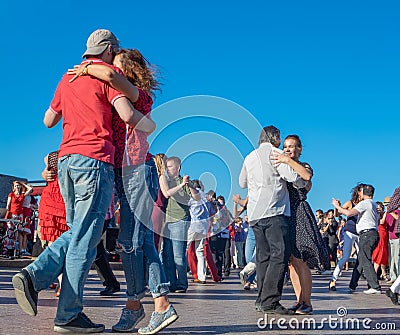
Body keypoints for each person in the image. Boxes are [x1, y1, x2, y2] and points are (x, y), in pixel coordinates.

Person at [12, 29, 154, 334]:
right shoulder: (108, 75)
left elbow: (48, 120)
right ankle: (57, 302)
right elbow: (127, 113)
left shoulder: (69, 78)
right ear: (109, 51)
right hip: (96, 159)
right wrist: (149, 124)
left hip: (66, 160)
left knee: (80, 233)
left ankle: (52, 295)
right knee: (85, 239)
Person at [70, 49, 178, 334]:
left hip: (138, 171)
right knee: (137, 243)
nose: (112, 70)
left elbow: (107, 75)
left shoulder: (137, 94)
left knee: (131, 242)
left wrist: (86, 68)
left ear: (128, 70)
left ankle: (146, 305)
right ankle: (150, 304)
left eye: (118, 67)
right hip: (123, 173)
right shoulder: (117, 93)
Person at [239, 125, 308, 315]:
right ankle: (270, 301)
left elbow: (242, 183)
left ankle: (261, 299)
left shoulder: (250, 157)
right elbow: (293, 176)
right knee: (280, 255)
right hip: (274, 211)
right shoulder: (276, 154)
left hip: (255, 214)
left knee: (263, 257)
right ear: (275, 138)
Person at [270, 134, 329, 315]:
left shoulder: (303, 166)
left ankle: (308, 302)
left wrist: (286, 160)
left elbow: (306, 176)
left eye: (292, 146)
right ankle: (299, 300)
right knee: (292, 262)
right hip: (286, 214)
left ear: (300, 149)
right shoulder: (283, 167)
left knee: (302, 261)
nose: (288, 149)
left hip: (300, 212)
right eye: (286, 146)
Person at [159, 156, 199, 293]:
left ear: (178, 168)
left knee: (178, 254)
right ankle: (171, 283)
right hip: (167, 221)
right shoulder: (167, 181)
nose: (167, 169)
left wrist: (189, 185)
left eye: (170, 167)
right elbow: (167, 194)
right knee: (167, 255)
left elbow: (197, 197)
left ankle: (182, 284)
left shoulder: (184, 182)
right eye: (167, 167)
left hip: (180, 220)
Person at [332, 183, 381, 294]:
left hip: (366, 234)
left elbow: (349, 213)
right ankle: (353, 285)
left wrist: (337, 206)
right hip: (373, 234)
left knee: (365, 260)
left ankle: (375, 286)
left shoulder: (365, 203)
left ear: (363, 193)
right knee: (361, 260)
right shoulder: (374, 204)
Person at [329, 185, 361, 291]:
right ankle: (333, 280)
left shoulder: (364, 204)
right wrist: (336, 206)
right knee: (345, 257)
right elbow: (337, 213)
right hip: (350, 231)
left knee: (362, 258)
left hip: (360, 233)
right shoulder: (350, 203)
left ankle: (354, 283)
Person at [152, 153, 168, 251]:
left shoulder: (153, 176)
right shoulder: (162, 177)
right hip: (158, 207)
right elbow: (166, 194)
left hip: (152, 207)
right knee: (156, 239)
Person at [372, 201, 389, 281]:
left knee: (383, 254)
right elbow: (381, 222)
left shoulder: (385, 214)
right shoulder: (376, 215)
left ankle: (383, 272)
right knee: (379, 253)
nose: (378, 209)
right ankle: (375, 273)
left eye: (380, 208)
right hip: (380, 234)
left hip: (385, 235)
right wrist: (386, 212)